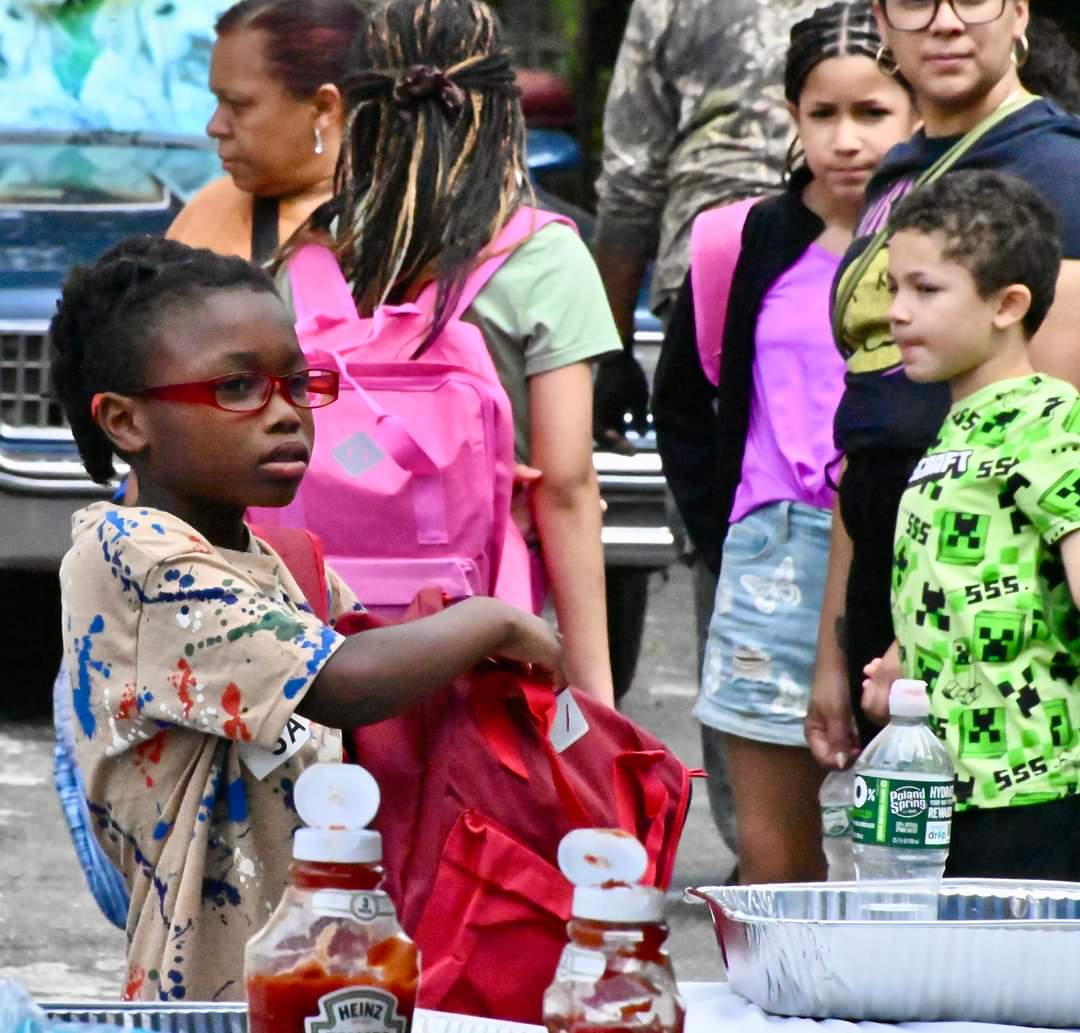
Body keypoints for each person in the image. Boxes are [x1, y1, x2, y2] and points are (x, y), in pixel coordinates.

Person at [49, 235, 563, 1001]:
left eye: (298, 383)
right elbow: (340, 680)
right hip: (209, 998)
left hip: (323, 972)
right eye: (236, 388)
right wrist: (494, 621)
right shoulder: (132, 556)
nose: (286, 414)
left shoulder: (271, 557)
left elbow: (383, 669)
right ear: (125, 422)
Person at [653, 1, 917, 883]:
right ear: (792, 115)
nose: (847, 140)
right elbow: (686, 402)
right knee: (774, 849)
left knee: (915, 824)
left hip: (908, 546)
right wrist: (723, 527)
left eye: (872, 112)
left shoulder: (953, 234)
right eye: (824, 113)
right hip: (774, 552)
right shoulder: (749, 236)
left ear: (916, 109)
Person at [290, 0, 620, 704]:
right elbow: (565, 487)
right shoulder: (544, 256)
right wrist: (593, 695)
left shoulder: (313, 258)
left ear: (361, 112)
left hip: (320, 639)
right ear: (505, 114)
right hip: (480, 631)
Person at [805, 0, 1080, 774]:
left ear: (1021, 14)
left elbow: (1047, 447)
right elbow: (866, 423)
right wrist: (834, 645)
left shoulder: (1057, 169)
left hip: (985, 627)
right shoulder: (902, 166)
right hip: (886, 578)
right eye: (917, 2)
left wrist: (916, 640)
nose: (948, 22)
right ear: (880, 25)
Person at [862, 169, 1080, 879]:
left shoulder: (1050, 417)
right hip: (955, 793)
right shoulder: (958, 428)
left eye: (926, 290)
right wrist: (905, 667)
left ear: (1008, 304)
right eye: (894, 287)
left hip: (1037, 790)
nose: (897, 311)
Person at [591, 0, 819, 451]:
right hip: (833, 255)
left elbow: (632, 177)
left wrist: (613, 351)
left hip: (709, 265)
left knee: (707, 489)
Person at [166, 0, 364, 263]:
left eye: (238, 105)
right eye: (218, 102)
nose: (214, 127)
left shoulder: (410, 231)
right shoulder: (210, 213)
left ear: (324, 107)